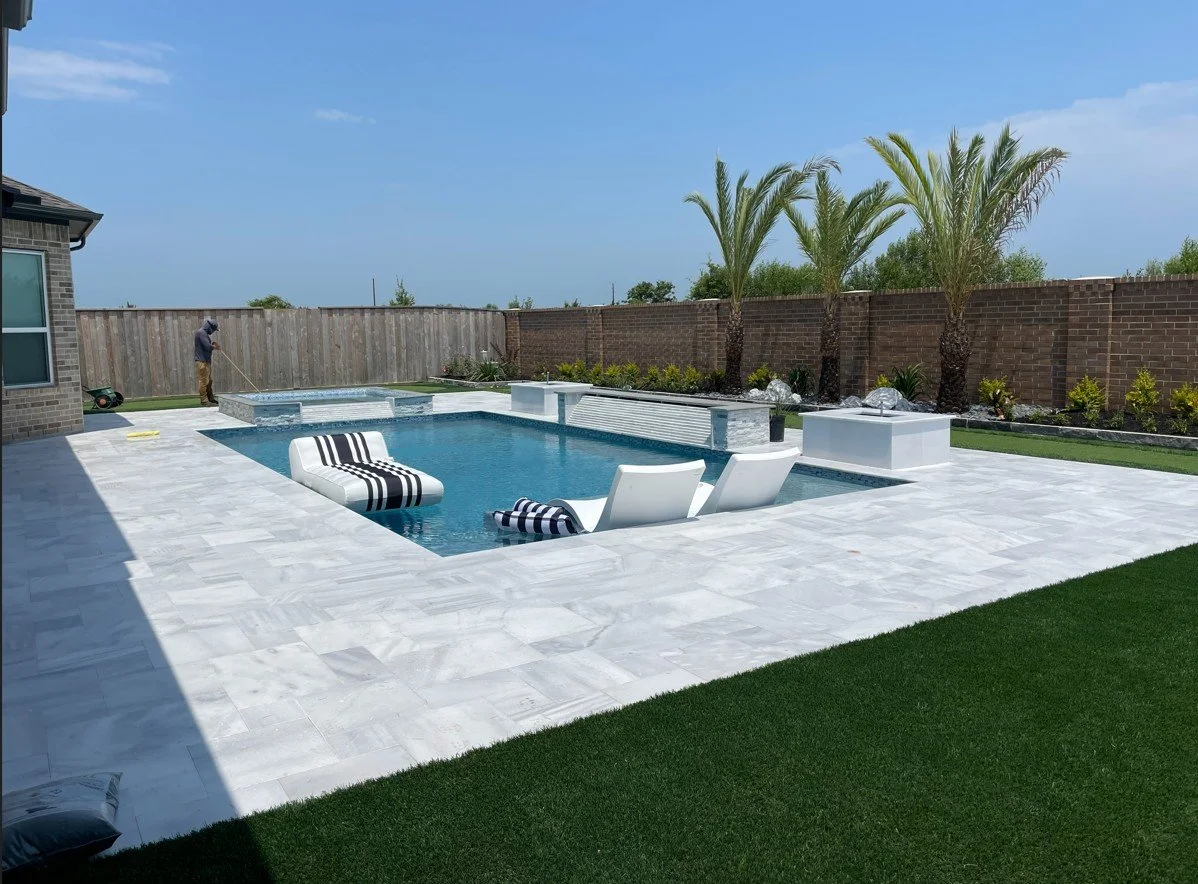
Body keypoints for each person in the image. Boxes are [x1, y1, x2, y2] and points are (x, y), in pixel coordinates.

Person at [194, 317, 221, 406]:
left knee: (209, 380)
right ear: (210, 327)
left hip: (206, 361)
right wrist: (215, 347)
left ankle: (211, 398)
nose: (213, 332)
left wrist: (213, 344)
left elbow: (208, 345)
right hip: (202, 361)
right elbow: (207, 347)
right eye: (213, 330)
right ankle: (204, 401)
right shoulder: (201, 333)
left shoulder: (204, 334)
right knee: (203, 381)